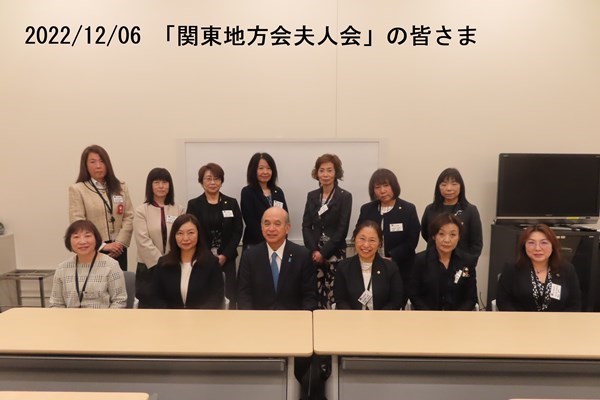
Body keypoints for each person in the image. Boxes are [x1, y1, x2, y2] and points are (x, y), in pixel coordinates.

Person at [237, 207, 322, 400]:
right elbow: (244, 295)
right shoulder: (251, 255)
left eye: (277, 224)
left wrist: (301, 324)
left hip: (294, 328)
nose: (271, 228)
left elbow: (310, 296)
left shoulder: (302, 255)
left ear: (287, 228)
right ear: (261, 227)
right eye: (266, 223)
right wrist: (250, 323)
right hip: (258, 327)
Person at [356, 168, 419, 307]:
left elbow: (412, 240)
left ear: (394, 186)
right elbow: (359, 234)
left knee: (395, 304)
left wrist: (392, 257)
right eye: (377, 187)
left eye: (386, 186)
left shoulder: (408, 209)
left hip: (400, 266)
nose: (382, 191)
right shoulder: (367, 209)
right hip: (370, 265)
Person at [69, 145, 134, 271]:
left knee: (120, 281)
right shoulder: (78, 189)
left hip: (119, 249)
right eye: (93, 162)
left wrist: (120, 243)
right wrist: (102, 246)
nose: (98, 166)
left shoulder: (121, 186)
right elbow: (77, 223)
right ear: (85, 165)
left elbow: (129, 216)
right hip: (93, 249)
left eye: (102, 161)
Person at [186, 163, 243, 308]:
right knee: (205, 297)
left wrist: (225, 255)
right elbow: (192, 231)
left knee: (229, 296)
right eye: (208, 178)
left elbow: (237, 230)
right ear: (201, 181)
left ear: (221, 181)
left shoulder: (231, 203)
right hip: (202, 259)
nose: (213, 182)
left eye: (216, 179)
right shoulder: (194, 204)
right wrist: (207, 255)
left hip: (227, 259)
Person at [302, 154, 352, 309]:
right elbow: (306, 226)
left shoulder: (345, 196)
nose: (325, 174)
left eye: (329, 170)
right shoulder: (312, 196)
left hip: (335, 252)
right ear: (316, 173)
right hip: (314, 253)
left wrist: (323, 253)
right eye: (321, 170)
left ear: (336, 172)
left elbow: (342, 230)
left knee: (333, 293)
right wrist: (314, 251)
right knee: (314, 292)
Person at [496, 224, 582, 312]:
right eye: (531, 243)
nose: (537, 248)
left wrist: (557, 320)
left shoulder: (567, 269)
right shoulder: (511, 269)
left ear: (553, 246)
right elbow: (503, 302)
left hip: (558, 320)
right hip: (519, 320)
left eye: (544, 243)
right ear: (524, 246)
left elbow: (574, 305)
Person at [133, 167, 185, 308]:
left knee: (172, 306)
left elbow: (181, 237)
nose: (161, 186)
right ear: (150, 186)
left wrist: (171, 259)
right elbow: (142, 240)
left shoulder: (179, 209)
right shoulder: (141, 211)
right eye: (156, 182)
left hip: (173, 265)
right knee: (149, 308)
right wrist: (161, 262)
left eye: (165, 182)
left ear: (170, 185)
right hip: (148, 268)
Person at [49, 220, 127, 308]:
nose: (82, 241)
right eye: (76, 237)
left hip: (102, 316)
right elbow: (56, 304)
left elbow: (119, 301)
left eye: (87, 236)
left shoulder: (111, 266)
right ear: (69, 241)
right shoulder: (62, 268)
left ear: (96, 239)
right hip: (70, 317)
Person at [152, 214, 224, 309]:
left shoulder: (211, 263)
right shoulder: (163, 263)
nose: (185, 238)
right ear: (174, 236)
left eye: (190, 233)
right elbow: (155, 297)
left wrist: (195, 316)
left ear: (198, 234)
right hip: (170, 316)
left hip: (202, 316)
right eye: (180, 233)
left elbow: (216, 298)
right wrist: (171, 315)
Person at [409, 213, 477, 311]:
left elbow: (471, 298)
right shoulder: (420, 260)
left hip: (458, 317)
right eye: (441, 234)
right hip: (428, 316)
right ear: (434, 236)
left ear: (459, 237)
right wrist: (430, 315)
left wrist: (457, 316)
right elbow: (414, 295)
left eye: (453, 235)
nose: (447, 240)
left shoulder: (467, 261)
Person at [334, 220, 403, 310]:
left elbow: (396, 302)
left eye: (372, 240)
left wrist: (378, 317)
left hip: (382, 317)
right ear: (354, 239)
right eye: (362, 239)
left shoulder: (391, 268)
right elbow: (341, 300)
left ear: (379, 243)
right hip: (352, 317)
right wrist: (353, 316)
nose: (366, 245)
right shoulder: (343, 267)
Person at [420, 168, 483, 264]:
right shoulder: (430, 209)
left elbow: (476, 243)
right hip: (433, 262)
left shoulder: (470, 210)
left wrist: (468, 263)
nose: (449, 188)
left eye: (454, 184)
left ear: (461, 186)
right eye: (444, 184)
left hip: (461, 262)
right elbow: (426, 233)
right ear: (438, 187)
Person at [240, 152, 287, 249]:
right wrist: (269, 241)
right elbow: (251, 222)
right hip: (255, 244)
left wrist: (279, 240)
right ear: (253, 170)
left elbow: (285, 218)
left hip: (278, 243)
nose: (265, 172)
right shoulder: (247, 192)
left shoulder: (278, 192)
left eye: (269, 168)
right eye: (261, 168)